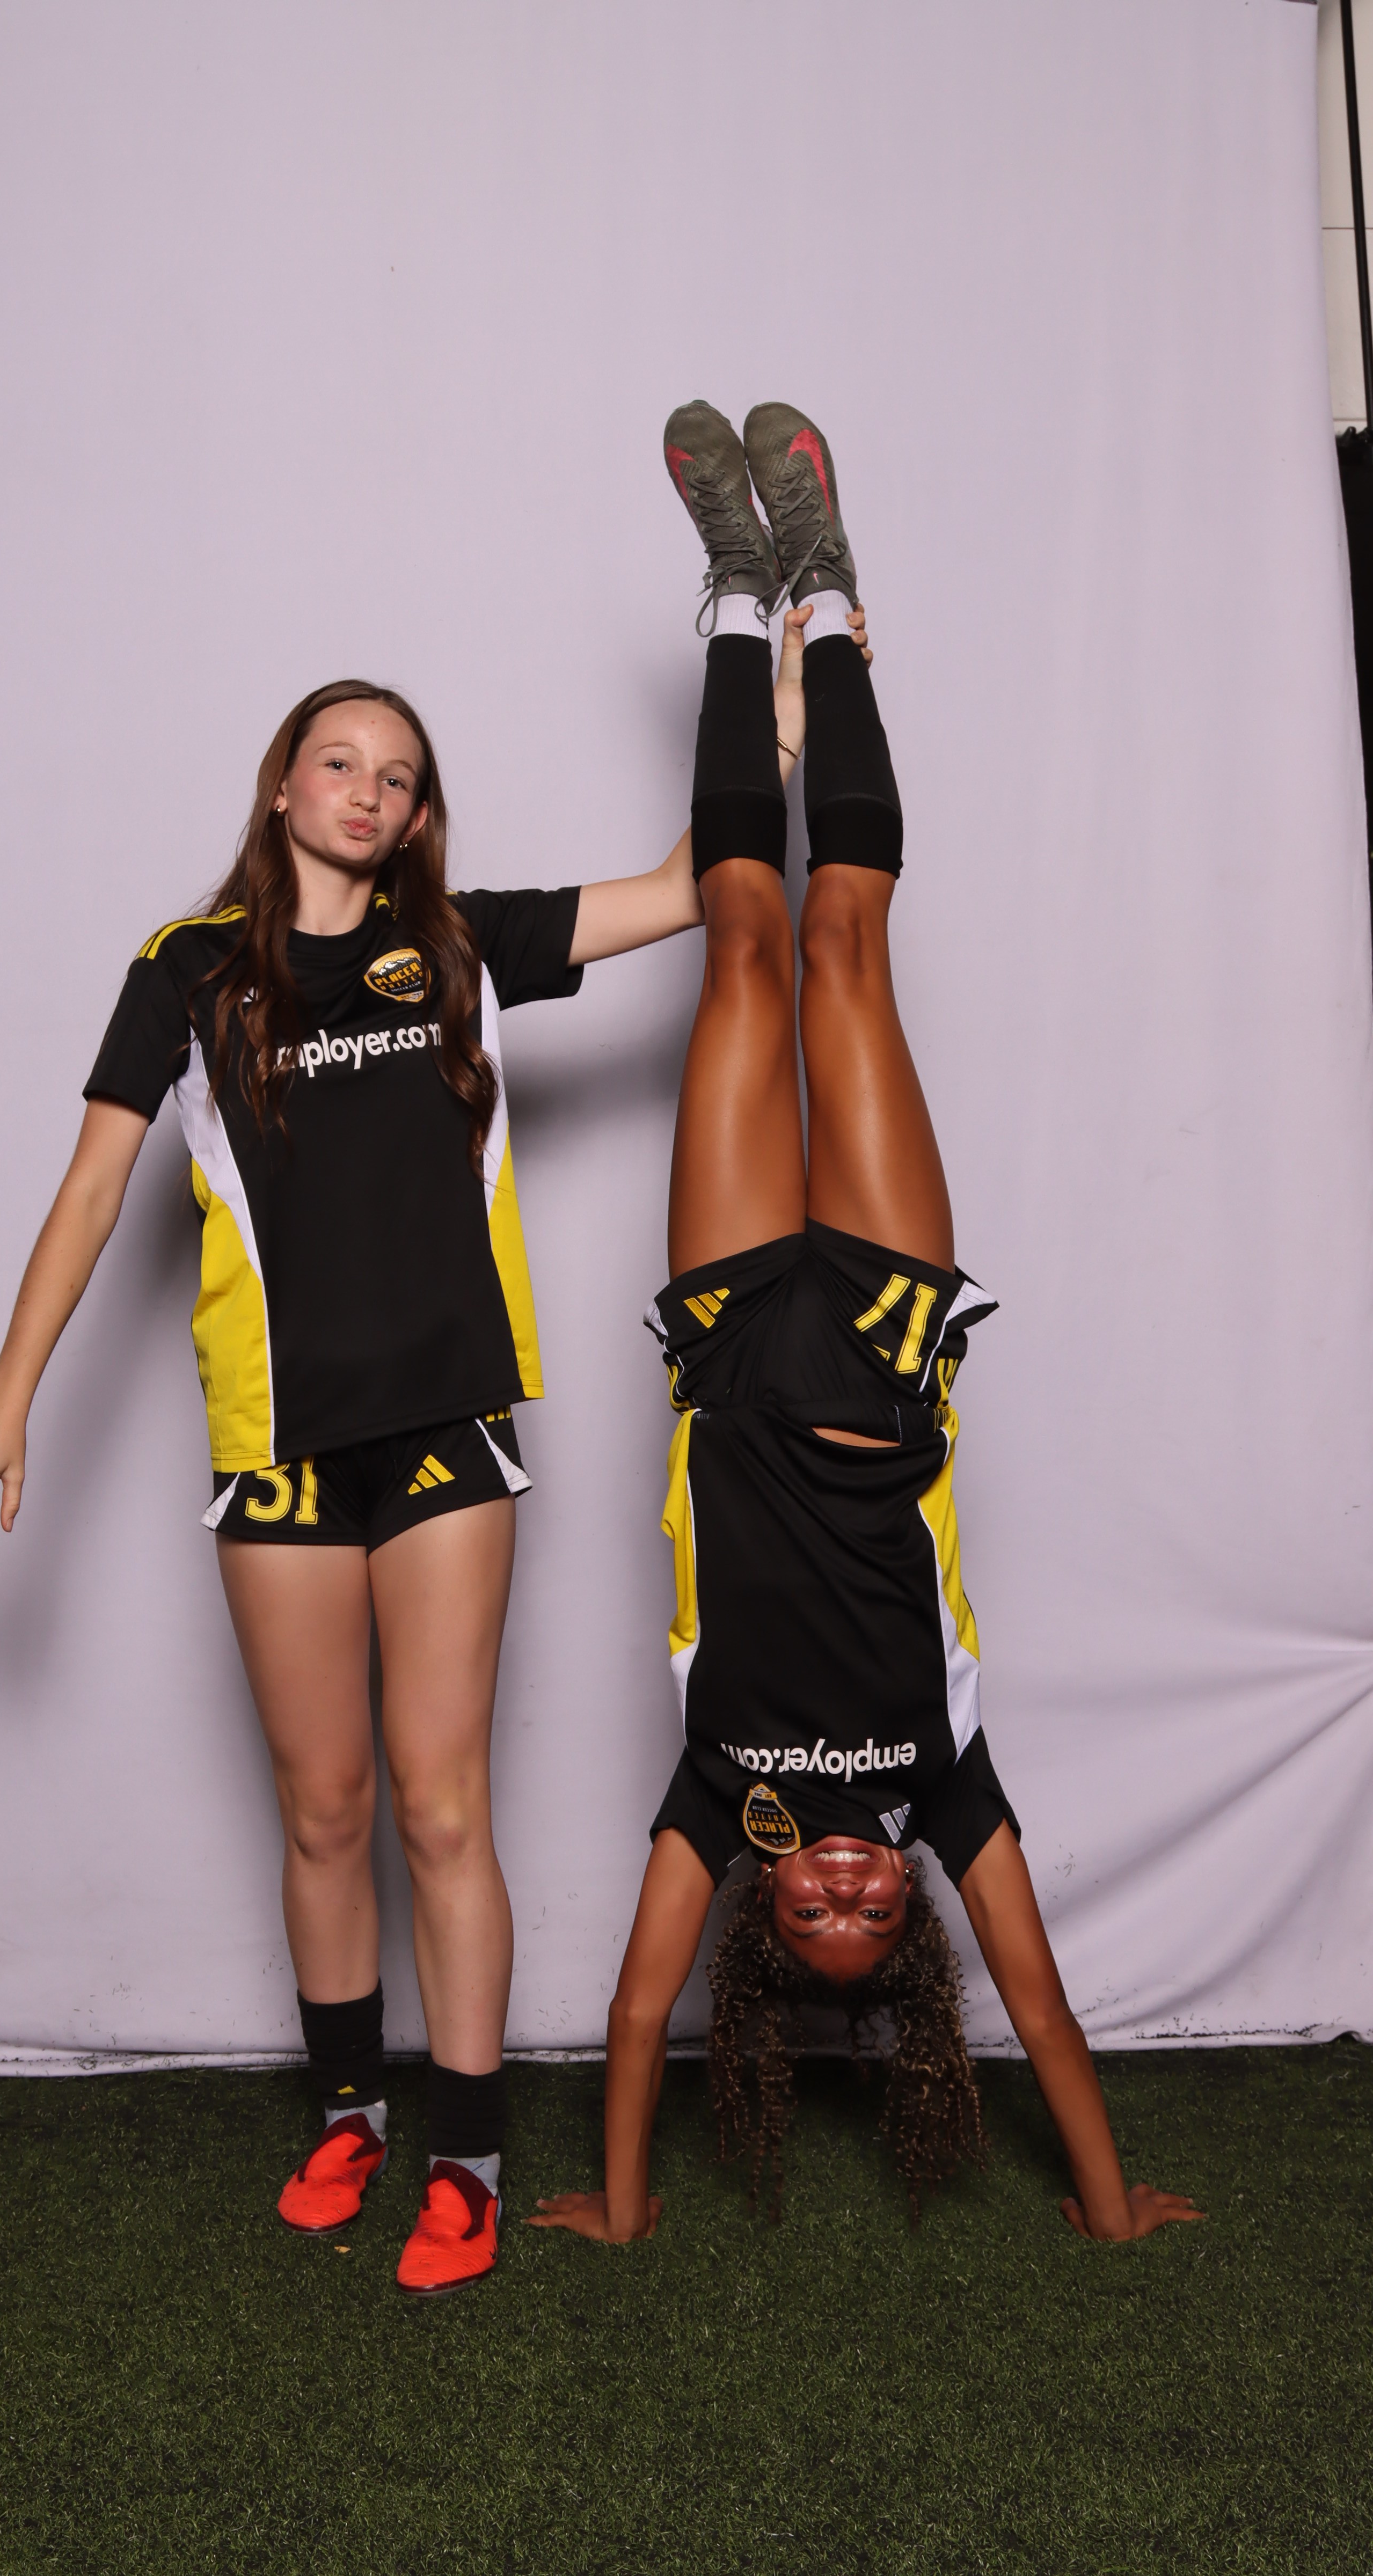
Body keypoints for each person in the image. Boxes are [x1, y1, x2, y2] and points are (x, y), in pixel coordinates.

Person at [0, 622, 850, 2295]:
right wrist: (7, 1399)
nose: (368, 792)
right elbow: (92, 1189)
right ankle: (349, 2115)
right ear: (284, 787)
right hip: (276, 1446)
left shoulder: (463, 947)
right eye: (341, 763)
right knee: (326, 1807)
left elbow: (685, 887)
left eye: (399, 777)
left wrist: (782, 723)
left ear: (418, 817)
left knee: (440, 1802)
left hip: (447, 1432)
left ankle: (468, 2161)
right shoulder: (187, 968)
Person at [530, 400, 1203, 2245]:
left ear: (765, 1913)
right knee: (847, 947)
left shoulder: (718, 1795)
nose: (841, 1890)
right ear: (913, 1918)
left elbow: (637, 2015)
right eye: (869, 1917)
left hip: (737, 1338)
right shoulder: (948, 1791)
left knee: (743, 944)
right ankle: (827, 598)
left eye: (811, 1918)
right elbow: (1042, 2010)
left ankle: (735, 598)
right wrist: (1111, 2203)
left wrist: (621, 2207)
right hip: (892, 1360)